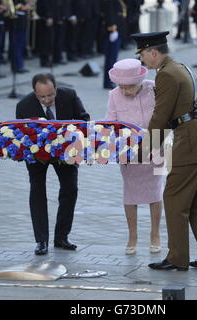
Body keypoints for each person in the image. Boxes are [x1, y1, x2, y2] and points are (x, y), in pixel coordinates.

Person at [131, 31, 197, 271]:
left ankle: (177, 257)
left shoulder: (166, 76)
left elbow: (159, 118)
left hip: (192, 144)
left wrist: (142, 153)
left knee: (174, 199)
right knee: (196, 202)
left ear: (153, 52)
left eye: (142, 55)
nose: (142, 60)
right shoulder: (178, 67)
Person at [16, 73, 90, 255]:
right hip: (37, 154)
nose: (47, 100)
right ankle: (41, 240)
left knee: (70, 189)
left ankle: (62, 237)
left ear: (56, 89)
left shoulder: (69, 96)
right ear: (34, 93)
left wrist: (73, 139)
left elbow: (85, 121)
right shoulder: (24, 106)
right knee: (37, 190)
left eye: (50, 95)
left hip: (66, 151)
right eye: (42, 96)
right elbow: (21, 135)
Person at [105, 58, 163, 255]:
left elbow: (165, 115)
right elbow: (110, 123)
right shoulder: (113, 95)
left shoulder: (154, 88)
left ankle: (155, 234)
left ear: (139, 83)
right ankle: (132, 236)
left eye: (128, 87)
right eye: (121, 87)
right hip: (129, 150)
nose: (124, 91)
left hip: (158, 144)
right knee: (130, 193)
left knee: (156, 191)